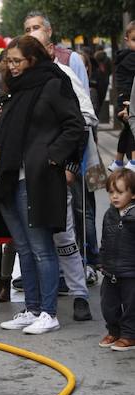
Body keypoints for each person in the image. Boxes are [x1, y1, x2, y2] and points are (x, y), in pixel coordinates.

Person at [0, 36, 85, 335]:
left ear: (33, 60)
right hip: (10, 178)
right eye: (8, 61)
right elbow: (6, 136)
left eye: (17, 61)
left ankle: (49, 313)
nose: (10, 67)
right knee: (24, 248)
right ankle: (33, 308)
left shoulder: (52, 83)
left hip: (34, 178)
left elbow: (74, 125)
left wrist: (52, 158)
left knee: (40, 249)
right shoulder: (15, 90)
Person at [17, 22, 97, 322]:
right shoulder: (18, 82)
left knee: (63, 235)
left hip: (53, 172)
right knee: (32, 241)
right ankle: (37, 303)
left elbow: (84, 118)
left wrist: (68, 163)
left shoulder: (62, 76)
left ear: (48, 50)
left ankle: (79, 295)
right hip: (26, 175)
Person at [98, 170, 135, 351]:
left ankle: (129, 335)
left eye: (120, 192)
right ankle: (114, 330)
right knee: (108, 304)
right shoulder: (109, 215)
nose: (114, 197)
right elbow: (105, 239)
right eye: (111, 192)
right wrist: (101, 260)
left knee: (131, 305)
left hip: (130, 272)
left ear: (133, 194)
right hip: (110, 270)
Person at [109, 22, 135, 171]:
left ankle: (118, 161)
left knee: (127, 130)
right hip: (128, 99)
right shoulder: (131, 57)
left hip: (125, 98)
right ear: (126, 40)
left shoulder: (124, 56)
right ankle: (132, 161)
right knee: (132, 128)